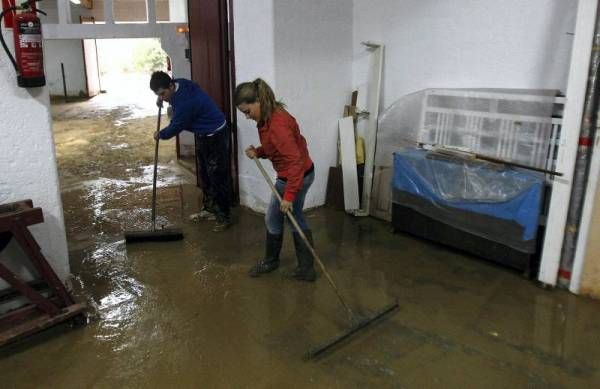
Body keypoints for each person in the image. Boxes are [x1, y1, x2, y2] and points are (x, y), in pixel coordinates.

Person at [234, 78, 316, 281]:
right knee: (278, 217)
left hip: (296, 176)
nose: (247, 116)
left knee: (292, 217)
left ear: (258, 102)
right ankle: (280, 262)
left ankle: (304, 268)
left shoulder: (277, 124)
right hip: (293, 174)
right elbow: (276, 148)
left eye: (247, 111)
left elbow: (294, 162)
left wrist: (288, 196)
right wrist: (259, 152)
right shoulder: (267, 118)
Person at [149, 71, 231, 232]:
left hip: (215, 134)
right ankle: (209, 209)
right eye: (159, 95)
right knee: (205, 175)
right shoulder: (180, 83)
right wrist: (161, 98)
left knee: (217, 177)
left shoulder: (186, 104)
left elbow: (175, 127)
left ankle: (224, 217)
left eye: (163, 94)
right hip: (202, 133)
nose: (163, 97)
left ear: (171, 86)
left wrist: (161, 134)